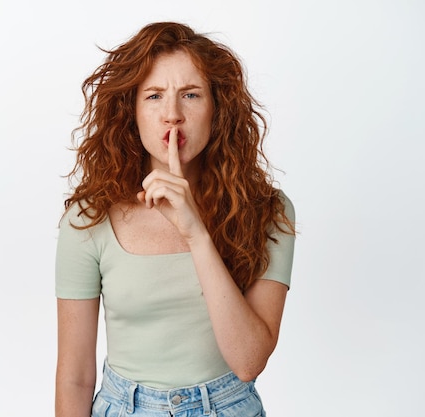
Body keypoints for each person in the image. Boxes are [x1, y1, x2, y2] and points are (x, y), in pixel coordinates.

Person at [55, 21, 296, 417]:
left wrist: (195, 231)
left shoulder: (268, 211)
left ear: (218, 109)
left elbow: (249, 361)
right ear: (130, 112)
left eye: (191, 95)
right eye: (153, 96)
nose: (172, 115)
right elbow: (75, 377)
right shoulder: (89, 219)